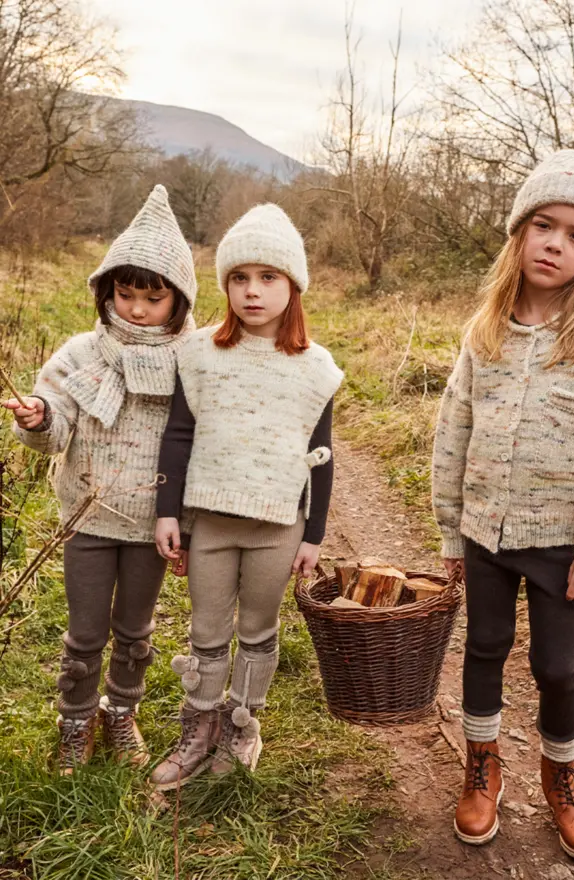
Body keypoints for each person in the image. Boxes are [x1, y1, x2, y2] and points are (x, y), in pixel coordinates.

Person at [432, 150, 574, 859]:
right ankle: (482, 767)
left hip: (564, 542)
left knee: (557, 667)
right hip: (484, 532)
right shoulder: (485, 329)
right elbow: (452, 430)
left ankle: (561, 776)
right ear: (518, 233)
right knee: (484, 648)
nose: (555, 244)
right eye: (543, 226)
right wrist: (448, 533)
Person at [3, 185, 196, 773]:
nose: (137, 309)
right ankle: (76, 719)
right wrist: (39, 418)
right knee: (85, 629)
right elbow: (53, 424)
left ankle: (122, 712)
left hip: (152, 523)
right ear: (106, 289)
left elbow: (201, 436)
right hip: (87, 516)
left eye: (153, 298)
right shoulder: (80, 353)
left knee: (135, 627)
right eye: (126, 293)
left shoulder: (194, 360)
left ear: (179, 301)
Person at [150, 204, 343, 791]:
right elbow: (178, 433)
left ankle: (241, 726)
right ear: (225, 284)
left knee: (257, 629)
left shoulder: (315, 368)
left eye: (268, 278)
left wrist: (313, 535)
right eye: (239, 278)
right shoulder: (202, 354)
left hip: (277, 525)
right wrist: (167, 510)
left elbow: (322, 453)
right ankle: (199, 729)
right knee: (207, 630)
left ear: (293, 286)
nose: (252, 291)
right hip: (210, 521)